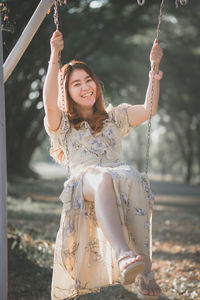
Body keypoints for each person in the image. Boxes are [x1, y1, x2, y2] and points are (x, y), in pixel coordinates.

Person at [43, 30, 163, 300]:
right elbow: (48, 101)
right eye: (76, 84)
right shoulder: (62, 125)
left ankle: (144, 272)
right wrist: (54, 56)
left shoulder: (114, 118)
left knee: (132, 177)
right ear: (67, 92)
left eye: (89, 80)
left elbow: (148, 109)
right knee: (102, 176)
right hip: (84, 180)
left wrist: (153, 68)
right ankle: (123, 255)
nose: (86, 87)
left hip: (119, 177)